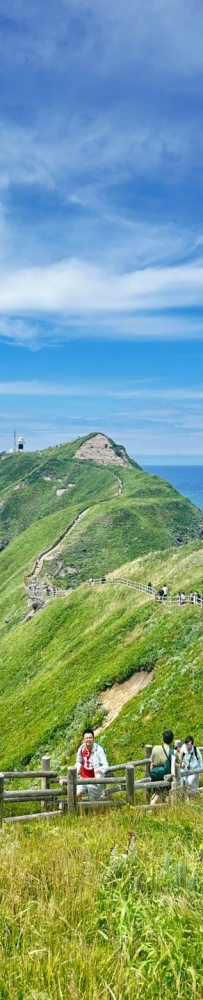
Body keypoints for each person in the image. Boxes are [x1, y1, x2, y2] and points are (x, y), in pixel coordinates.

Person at [76, 727, 109, 800]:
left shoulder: (99, 750)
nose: (88, 740)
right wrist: (77, 770)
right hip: (83, 777)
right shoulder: (81, 749)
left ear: (93, 738)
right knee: (77, 794)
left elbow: (106, 765)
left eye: (90, 738)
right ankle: (82, 811)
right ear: (84, 739)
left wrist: (100, 770)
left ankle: (94, 811)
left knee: (94, 802)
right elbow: (78, 762)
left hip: (94, 778)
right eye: (86, 738)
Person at [150, 729, 176, 805]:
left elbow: (151, 764)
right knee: (165, 793)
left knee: (156, 792)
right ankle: (155, 808)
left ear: (163, 739)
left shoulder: (155, 749)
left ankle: (152, 807)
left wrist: (152, 775)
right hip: (166, 776)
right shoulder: (173, 752)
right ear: (172, 740)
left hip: (154, 774)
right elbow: (179, 764)